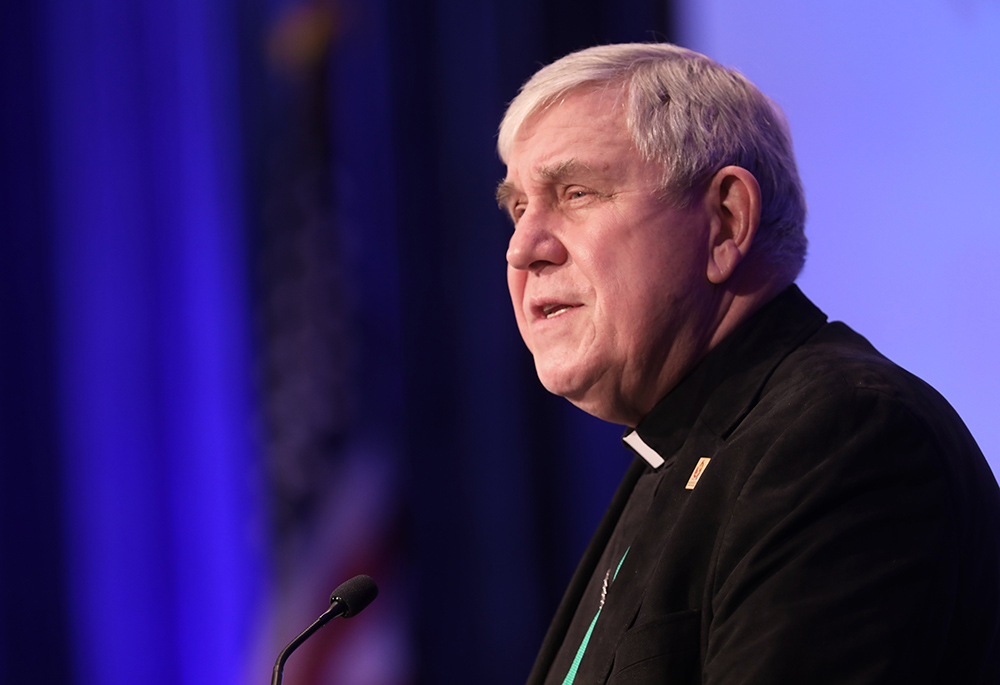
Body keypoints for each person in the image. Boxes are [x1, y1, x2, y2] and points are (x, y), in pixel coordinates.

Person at [495, 42, 1000, 684]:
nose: (524, 249)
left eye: (576, 193)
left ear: (727, 222)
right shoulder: (675, 455)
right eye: (517, 208)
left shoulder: (842, 438)